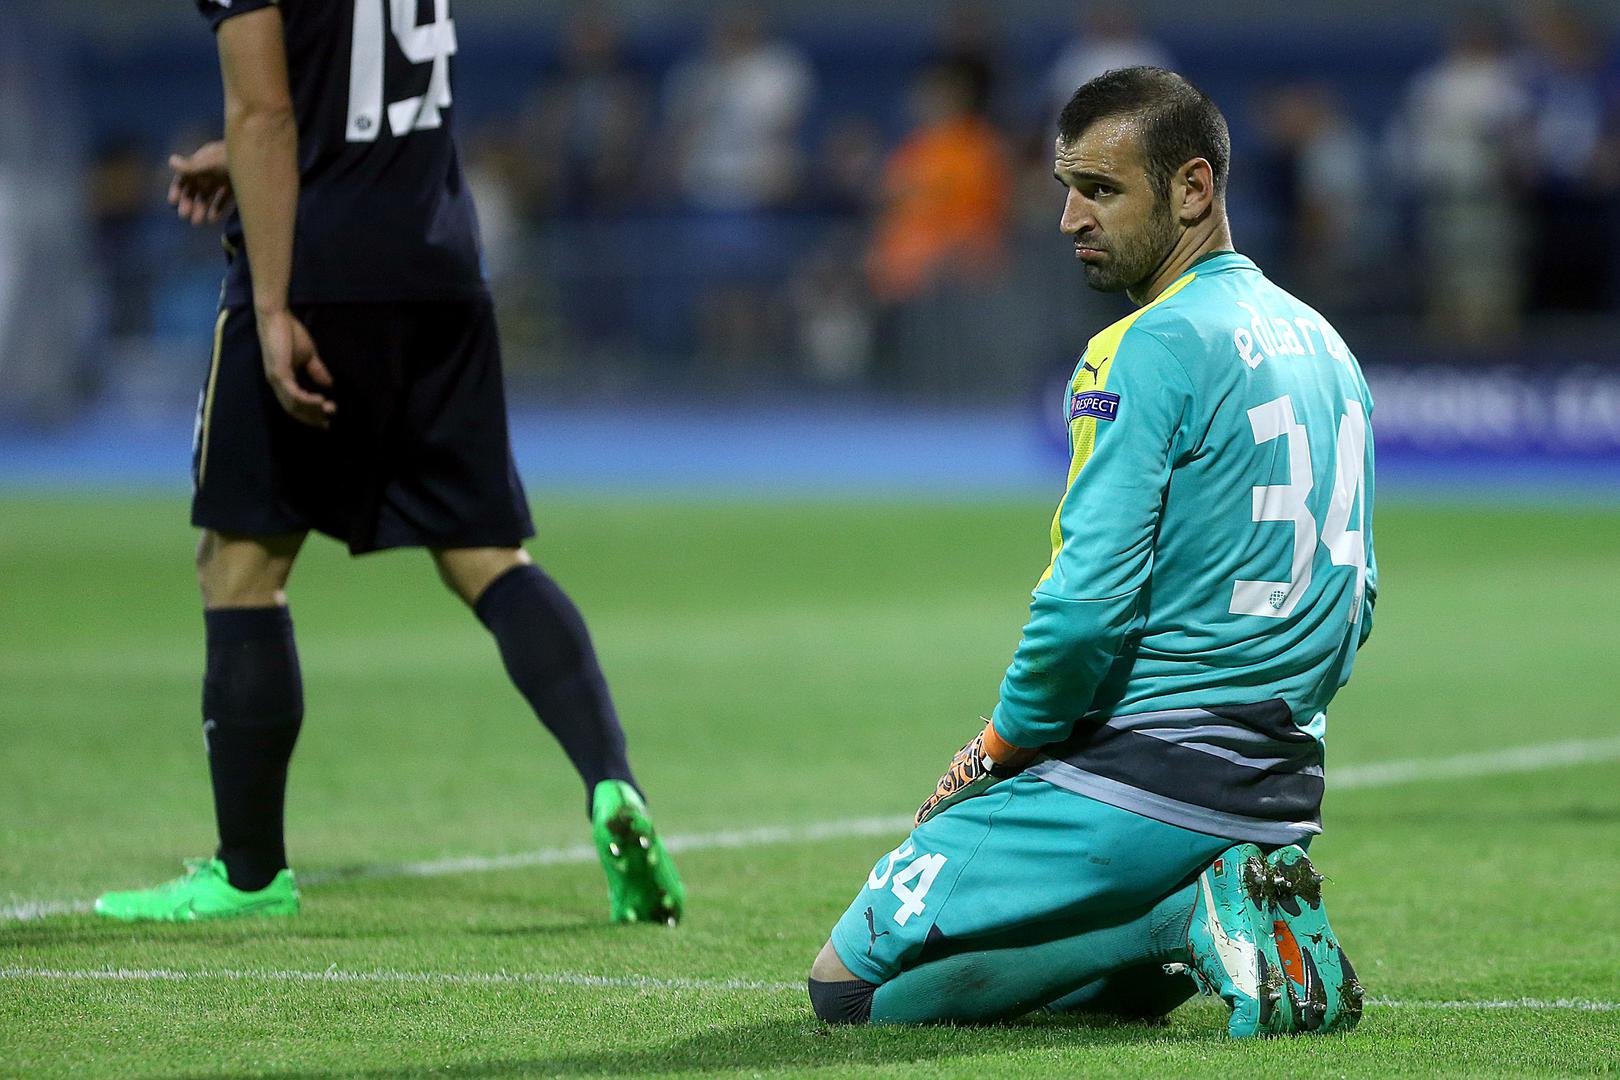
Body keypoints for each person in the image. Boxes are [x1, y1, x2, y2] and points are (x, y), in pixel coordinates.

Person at [808, 67, 1376, 1036]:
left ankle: (1176, 920)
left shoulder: (1143, 347)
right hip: (1282, 789)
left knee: (846, 989)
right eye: (1067, 188)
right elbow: (1356, 601)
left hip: (1143, 777)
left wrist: (995, 749)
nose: (1071, 217)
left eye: (1101, 190)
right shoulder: (1326, 345)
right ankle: (1197, 914)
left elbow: (1082, 612)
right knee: (1081, 988)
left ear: (1192, 189)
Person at [93, 0, 684, 926]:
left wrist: (274, 304)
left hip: (317, 266)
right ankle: (612, 782)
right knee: (487, 556)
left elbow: (266, 110)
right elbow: (360, 86)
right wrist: (248, 156)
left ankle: (249, 873)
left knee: (241, 567)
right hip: (437, 262)